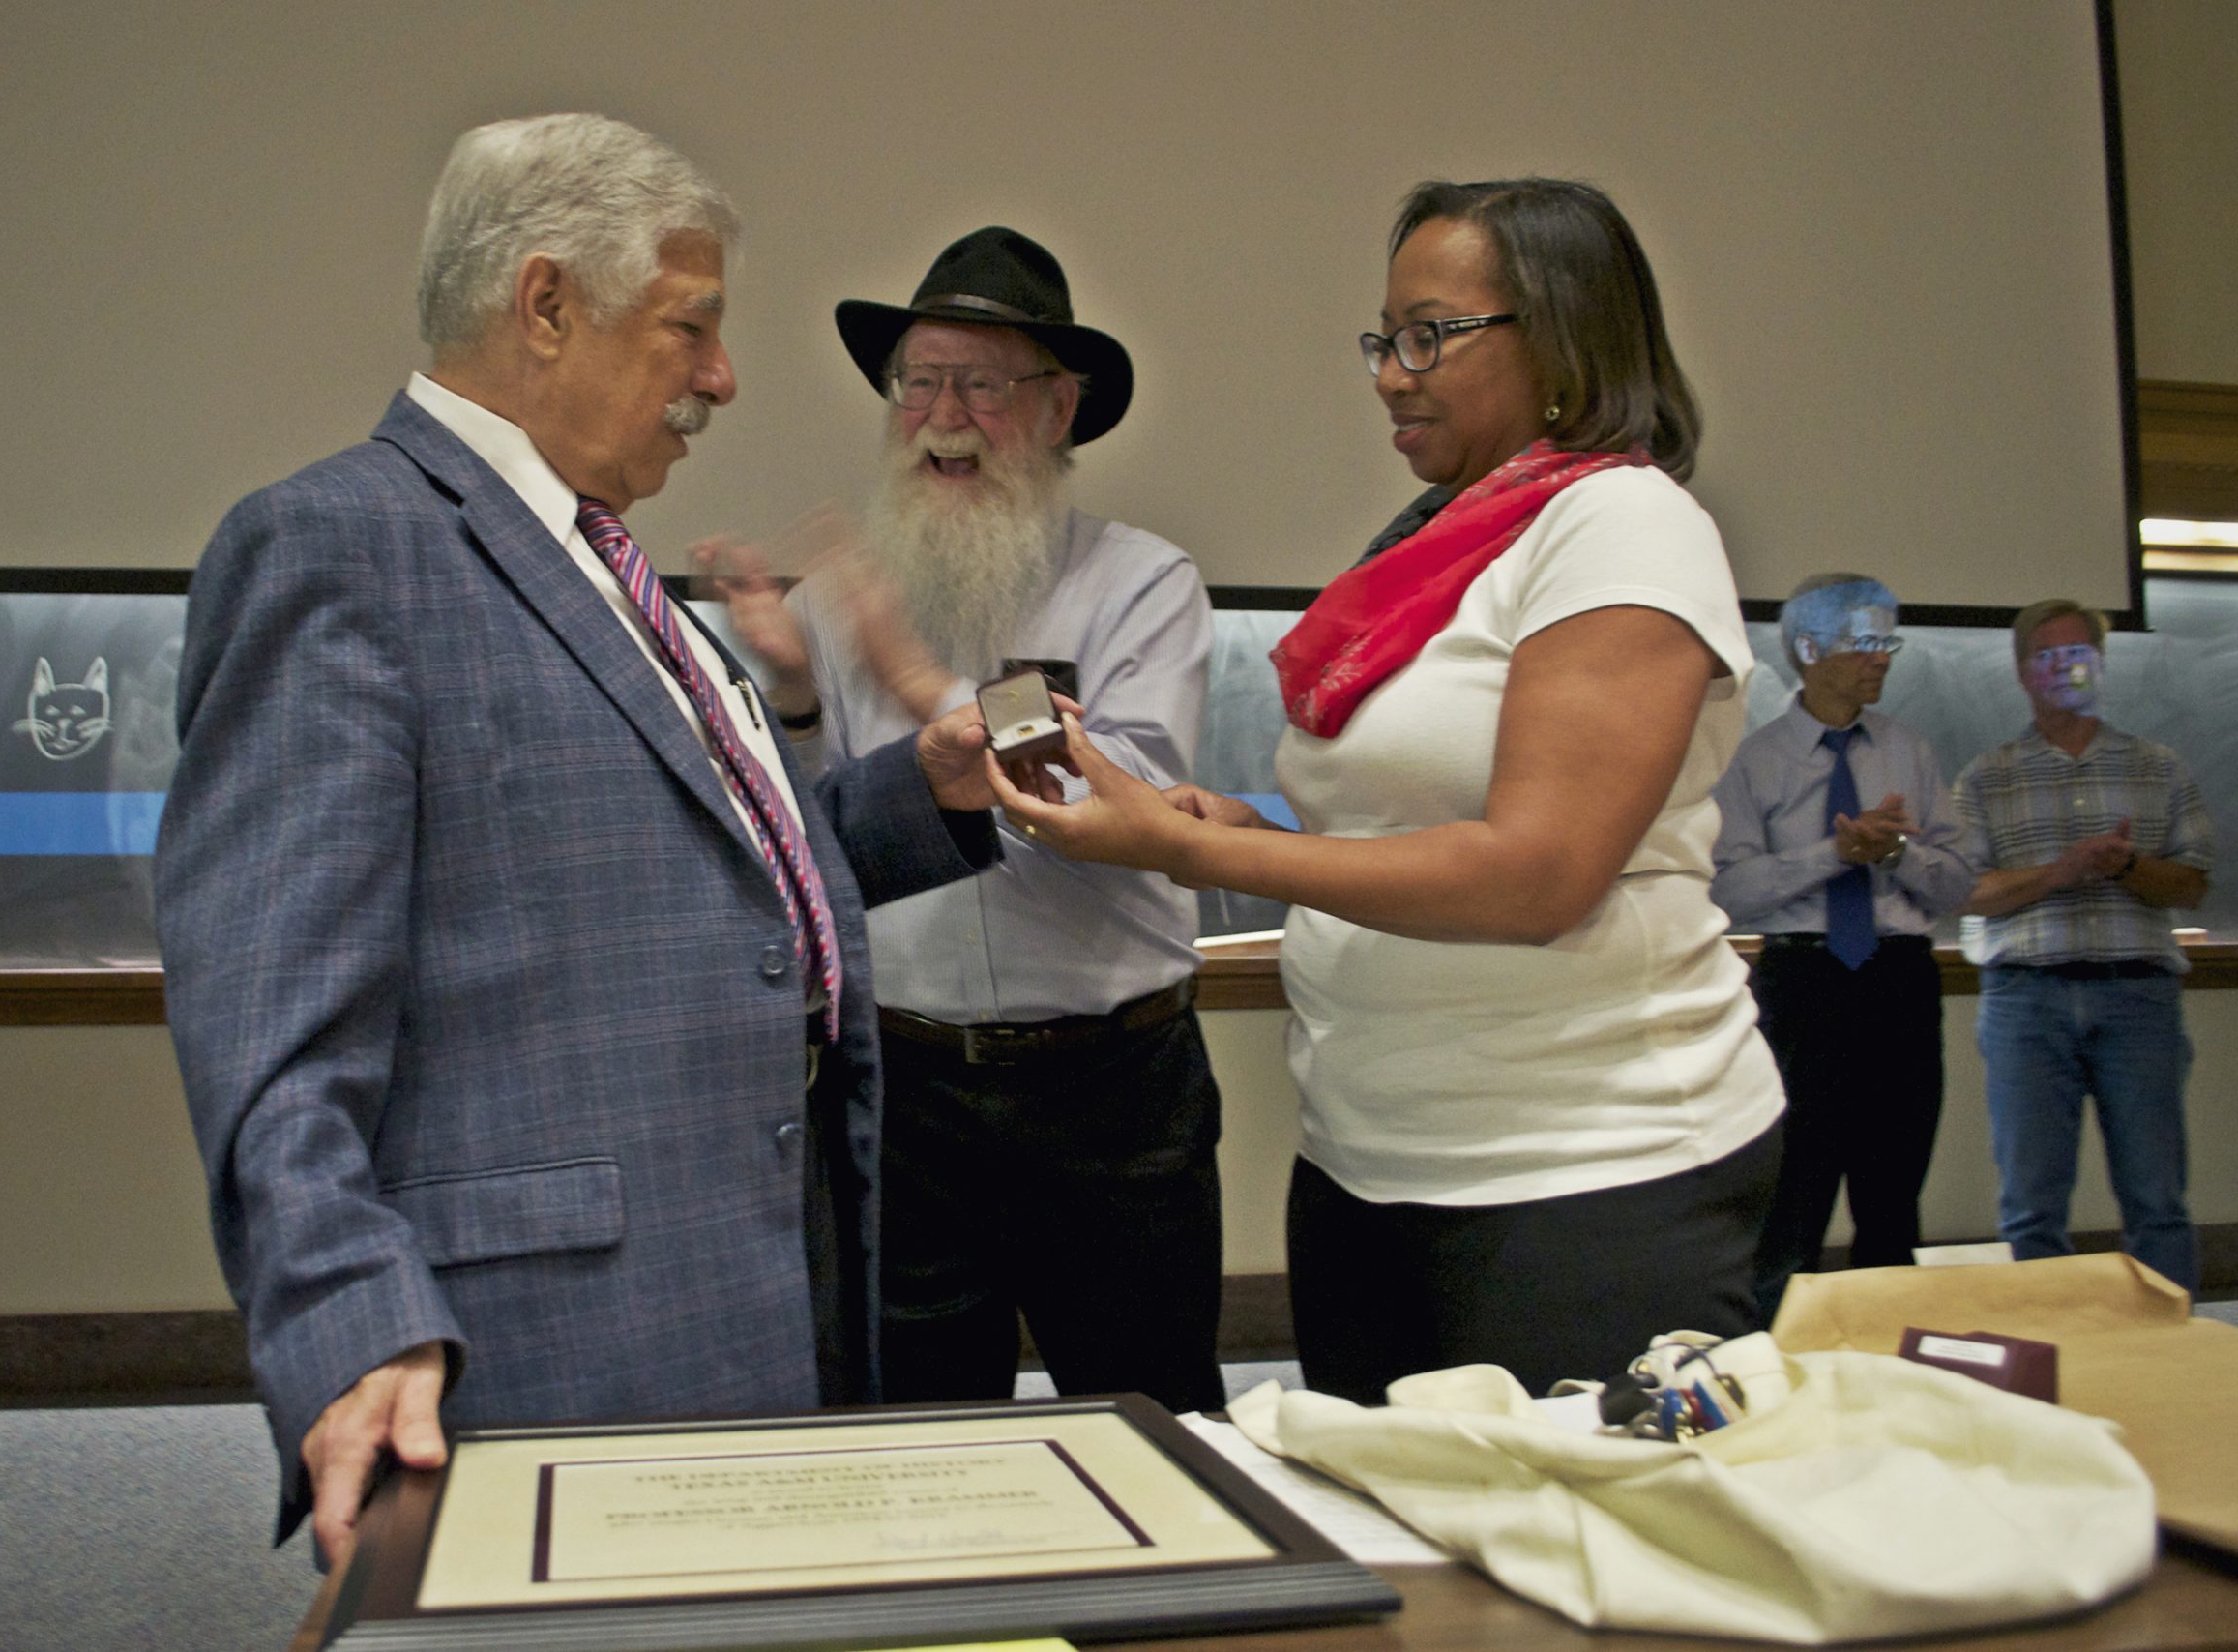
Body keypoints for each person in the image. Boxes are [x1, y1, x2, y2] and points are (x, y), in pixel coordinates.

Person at [154, 114, 1004, 1564]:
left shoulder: (598, 560)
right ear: (546, 304)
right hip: (550, 1332)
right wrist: (352, 1316)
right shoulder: (337, 547)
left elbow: (726, 881)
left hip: (759, 1261)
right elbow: (269, 1015)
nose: (722, 380)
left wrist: (928, 791)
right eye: (692, 329)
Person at [988, 178, 1784, 1401]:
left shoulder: (1622, 521)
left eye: (1429, 335)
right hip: (1371, 1159)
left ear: (1563, 338)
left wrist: (1203, 856)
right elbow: (1407, 824)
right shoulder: (1440, 540)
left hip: (1579, 1171)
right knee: (1405, 1555)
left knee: (1573, 1565)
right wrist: (1248, 821)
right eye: (1382, 340)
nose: (1390, 376)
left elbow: (1535, 874)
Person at [701, 228, 1224, 1413]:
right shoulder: (842, 602)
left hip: (1111, 1090)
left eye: (982, 386)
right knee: (917, 1434)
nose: (943, 416)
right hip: (911, 1089)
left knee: (1154, 1421)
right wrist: (792, 691)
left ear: (1058, 409)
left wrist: (911, 670)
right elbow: (824, 838)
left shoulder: (1142, 580)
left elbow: (1114, 801)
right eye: (919, 383)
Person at [1711, 574, 1973, 1318]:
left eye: (1886, 639)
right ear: (1808, 648)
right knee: (1794, 1193)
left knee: (1892, 1197)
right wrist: (1836, 855)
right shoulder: (1755, 759)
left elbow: (1956, 886)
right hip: (1803, 984)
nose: (1881, 657)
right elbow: (1729, 895)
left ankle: (1895, 1363)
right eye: (1864, 641)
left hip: (1898, 982)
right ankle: (1773, 1361)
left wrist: (1893, 857)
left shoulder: (1910, 754)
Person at [1952, 598, 2213, 1290]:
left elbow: (2191, 884)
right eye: (2047, 655)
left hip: (2138, 999)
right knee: (2031, 1207)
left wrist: (2126, 866)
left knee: (2157, 1200)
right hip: (2024, 1002)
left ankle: (2169, 1359)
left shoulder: (2160, 767)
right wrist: (2064, 871)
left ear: (2100, 664)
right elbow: (1968, 892)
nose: (2064, 667)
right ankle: (2048, 1367)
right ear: (2021, 671)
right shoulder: (1986, 775)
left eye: (2079, 653)